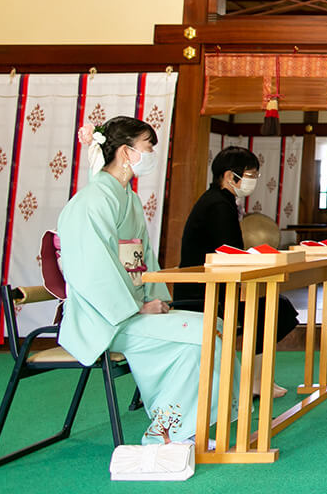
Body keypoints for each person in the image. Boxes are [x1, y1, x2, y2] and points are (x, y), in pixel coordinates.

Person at [57, 116, 230, 444]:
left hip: (135, 308)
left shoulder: (129, 199)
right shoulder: (91, 202)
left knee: (213, 324)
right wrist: (137, 307)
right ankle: (167, 432)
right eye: (148, 146)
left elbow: (145, 259)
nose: (153, 152)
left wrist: (156, 299)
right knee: (198, 335)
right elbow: (93, 271)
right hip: (104, 318)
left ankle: (193, 427)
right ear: (126, 152)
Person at [172, 145, 297, 398]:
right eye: (250, 175)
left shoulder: (221, 200)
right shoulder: (218, 204)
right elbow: (228, 250)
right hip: (204, 290)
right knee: (273, 309)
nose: (253, 181)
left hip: (216, 284)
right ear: (231, 176)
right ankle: (254, 381)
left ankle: (259, 378)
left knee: (276, 307)